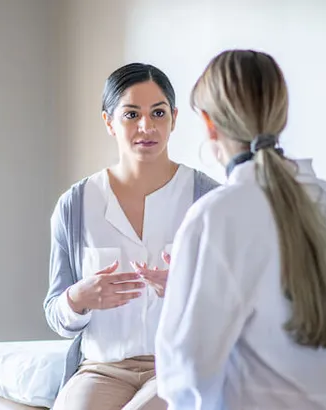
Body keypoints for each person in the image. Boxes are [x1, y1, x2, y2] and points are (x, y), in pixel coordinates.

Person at [155, 49, 326, 410]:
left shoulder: (217, 215)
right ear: (280, 115)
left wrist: (188, 286)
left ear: (208, 123)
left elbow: (185, 376)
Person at [43, 62, 219, 410]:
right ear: (108, 121)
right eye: (131, 114)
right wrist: (77, 298)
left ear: (174, 118)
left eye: (158, 113)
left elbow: (236, 303)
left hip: (177, 365)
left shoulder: (208, 199)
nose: (146, 126)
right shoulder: (75, 206)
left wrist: (187, 291)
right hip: (101, 369)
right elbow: (56, 312)